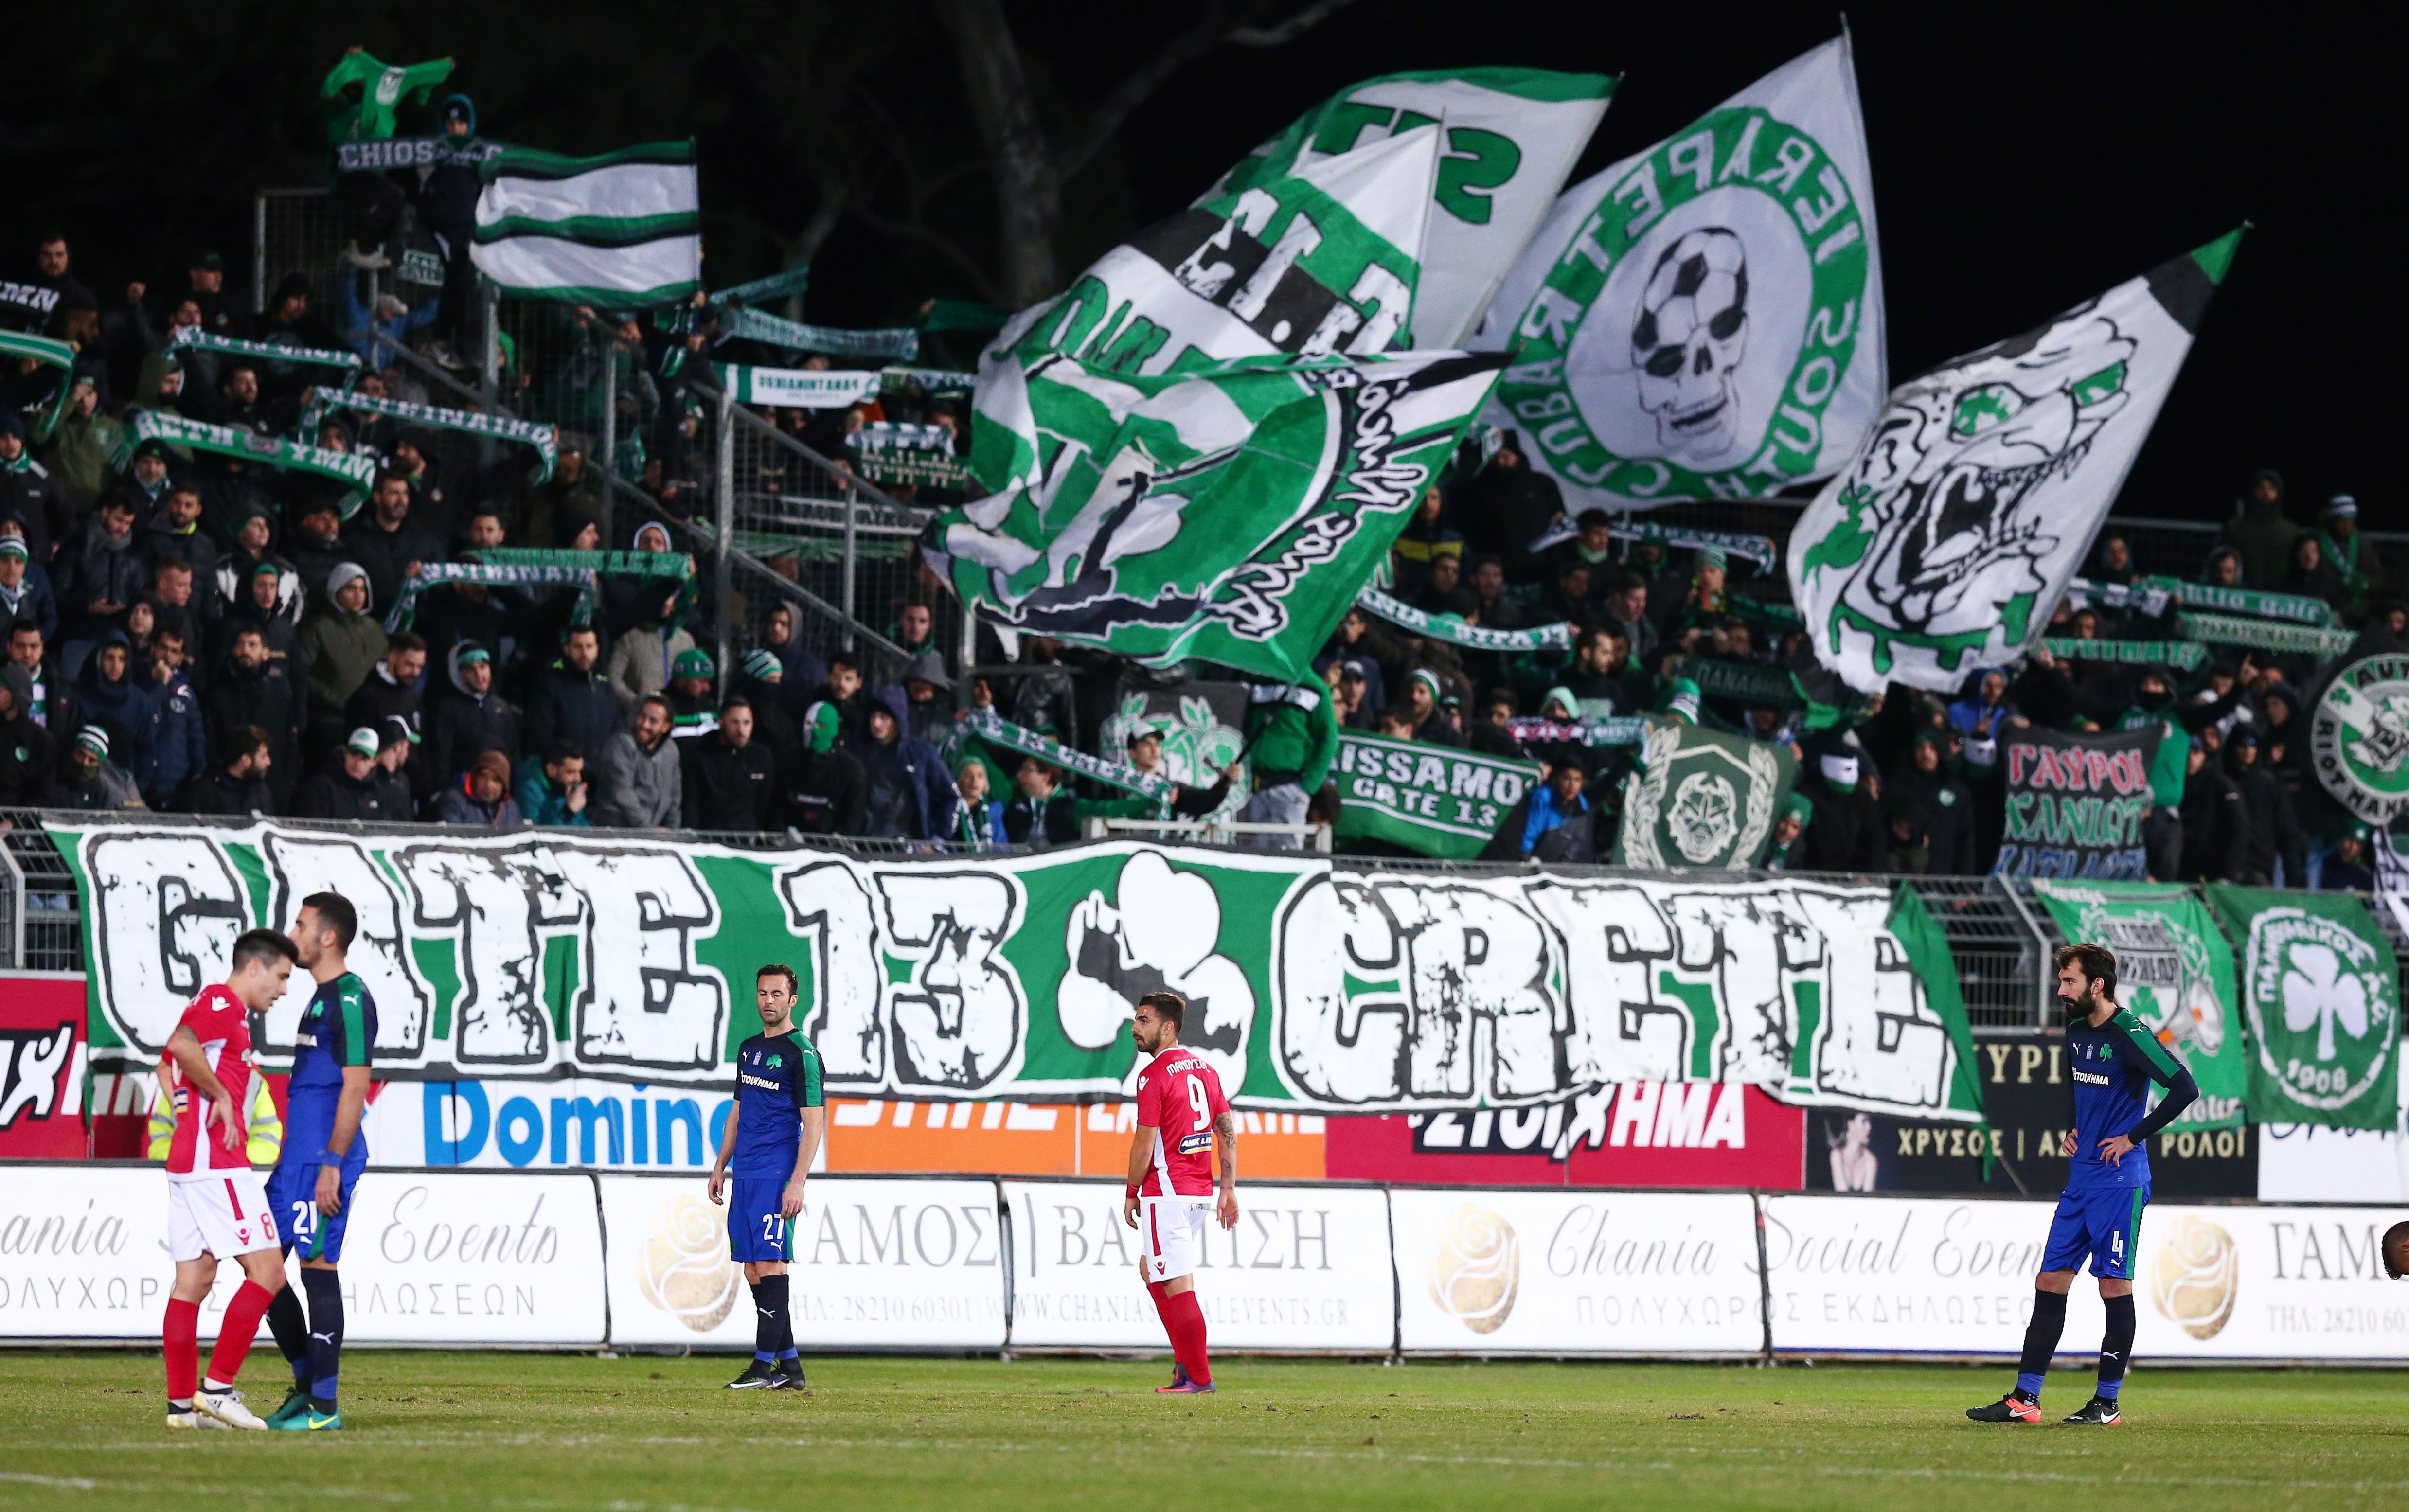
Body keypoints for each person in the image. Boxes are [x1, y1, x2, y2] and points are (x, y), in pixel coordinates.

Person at [1968, 943, 2197, 1427]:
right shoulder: (2077, 1032)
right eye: (2061, 980)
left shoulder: (2130, 1033)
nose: (2060, 990)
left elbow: (2184, 1087)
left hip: (2120, 1182)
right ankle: (2025, 1399)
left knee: (2113, 1285)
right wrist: (2075, 1127)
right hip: (2082, 1179)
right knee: (2049, 1281)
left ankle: (2106, 1403)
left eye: (2069, 981)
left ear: (2097, 984)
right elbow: (2082, 1089)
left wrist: (2133, 1136)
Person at [159, 928, 298, 1430]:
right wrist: (218, 1096)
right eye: (281, 976)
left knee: (193, 1282)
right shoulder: (222, 1001)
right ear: (254, 967)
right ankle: (218, 1389)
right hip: (217, 1163)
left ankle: (182, 1409)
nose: (283, 989)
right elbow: (179, 1045)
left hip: (190, 1163)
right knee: (269, 1272)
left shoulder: (220, 1009)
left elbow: (166, 1063)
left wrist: (184, 1108)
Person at [255, 894, 374, 1432]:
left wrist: (332, 1163)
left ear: (328, 937)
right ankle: (306, 1383)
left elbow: (355, 1086)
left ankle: (324, 1408)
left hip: (322, 1163)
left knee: (317, 1271)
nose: (293, 934)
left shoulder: (350, 998)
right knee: (260, 1267)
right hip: (292, 1163)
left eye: (301, 925)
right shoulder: (319, 998)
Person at [706, 964, 825, 1391]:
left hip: (777, 1172)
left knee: (772, 1263)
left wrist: (798, 1181)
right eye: (762, 993)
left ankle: (761, 1368)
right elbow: (737, 1112)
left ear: (792, 1000)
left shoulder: (802, 1054)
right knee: (754, 1269)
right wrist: (721, 1165)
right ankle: (790, 1367)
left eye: (777, 994)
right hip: (746, 1172)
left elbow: (814, 1122)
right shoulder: (748, 1049)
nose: (768, 1001)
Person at [1122, 989, 1237, 1395]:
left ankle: (1198, 1377)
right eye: (1136, 1019)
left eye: (1144, 1021)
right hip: (1198, 1193)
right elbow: (1226, 1129)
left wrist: (1132, 1189)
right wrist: (1227, 1188)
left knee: (1177, 1282)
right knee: (1151, 1268)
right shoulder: (1205, 1069)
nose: (1135, 1028)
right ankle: (1185, 1363)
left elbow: (1143, 1145)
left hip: (1167, 1192)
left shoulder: (1153, 1076)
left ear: (1168, 1028)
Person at [1241, 682, 1337, 849]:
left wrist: (1308, 786)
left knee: (1289, 852)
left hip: (1290, 788)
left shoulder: (1315, 688)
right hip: (1253, 787)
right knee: (1251, 852)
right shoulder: (1257, 679)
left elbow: (1329, 739)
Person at [771, 701, 867, 836]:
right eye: (808, 724)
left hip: (831, 844)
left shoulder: (851, 770)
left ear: (833, 730)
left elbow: (852, 819)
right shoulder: (788, 761)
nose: (812, 731)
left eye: (820, 726)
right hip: (790, 843)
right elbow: (776, 810)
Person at [682, 698, 776, 831]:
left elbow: (765, 803)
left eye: (747, 723)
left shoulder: (761, 756)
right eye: (735, 722)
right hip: (706, 836)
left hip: (747, 836)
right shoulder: (700, 753)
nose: (741, 730)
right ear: (721, 722)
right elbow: (692, 801)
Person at [594, 694, 681, 828]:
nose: (645, 725)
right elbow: (623, 794)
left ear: (665, 727)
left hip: (654, 832)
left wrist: (673, 832)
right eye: (643, 717)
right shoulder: (621, 744)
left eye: (653, 721)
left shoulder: (671, 751)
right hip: (618, 829)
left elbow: (675, 797)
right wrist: (649, 831)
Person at [295, 727, 398, 822]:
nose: (358, 763)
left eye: (364, 758)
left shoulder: (381, 792)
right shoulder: (322, 787)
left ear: (374, 762)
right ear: (346, 754)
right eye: (354, 755)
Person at [183, 725, 275, 815]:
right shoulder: (205, 790)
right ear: (245, 759)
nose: (269, 762)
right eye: (263, 756)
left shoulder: (260, 790)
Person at [1003, 755, 1078, 848]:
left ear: (1046, 776)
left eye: (1027, 770)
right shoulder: (1014, 796)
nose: (1019, 775)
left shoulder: (1071, 803)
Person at [515, 739, 592, 827]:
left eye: (580, 772)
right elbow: (533, 833)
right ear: (551, 770)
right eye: (571, 772)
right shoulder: (528, 792)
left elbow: (583, 827)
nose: (578, 779)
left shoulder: (574, 788)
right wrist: (569, 812)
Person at [436, 749, 523, 827]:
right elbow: (453, 836)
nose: (489, 785)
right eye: (484, 776)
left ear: (504, 787)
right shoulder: (455, 801)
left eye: (496, 780)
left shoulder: (511, 810)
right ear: (475, 778)